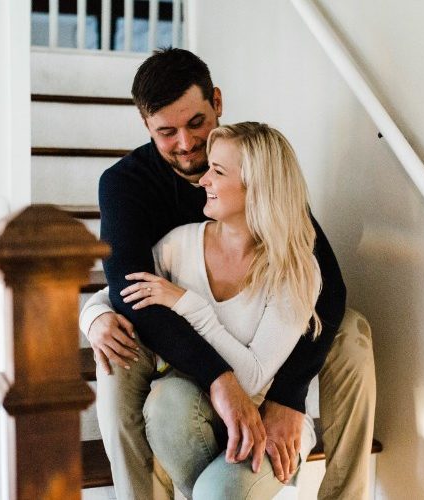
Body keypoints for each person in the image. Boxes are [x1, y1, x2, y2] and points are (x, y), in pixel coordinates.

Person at [80, 48, 376, 499]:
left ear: (216, 102)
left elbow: (327, 288)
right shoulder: (127, 185)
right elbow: (128, 290)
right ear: (146, 126)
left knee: (352, 331)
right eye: (166, 131)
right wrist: (220, 379)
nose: (185, 143)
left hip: (261, 342)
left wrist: (288, 397)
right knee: (116, 352)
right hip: (177, 342)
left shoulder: (254, 166)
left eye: (196, 123)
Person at [84, 122, 323, 498]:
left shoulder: (295, 269)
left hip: (267, 422)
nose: (202, 180)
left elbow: (254, 377)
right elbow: (119, 293)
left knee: (216, 492)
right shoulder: (181, 244)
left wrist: (187, 304)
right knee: (164, 402)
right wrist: (94, 319)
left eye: (219, 171)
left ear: (256, 187)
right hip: (197, 411)